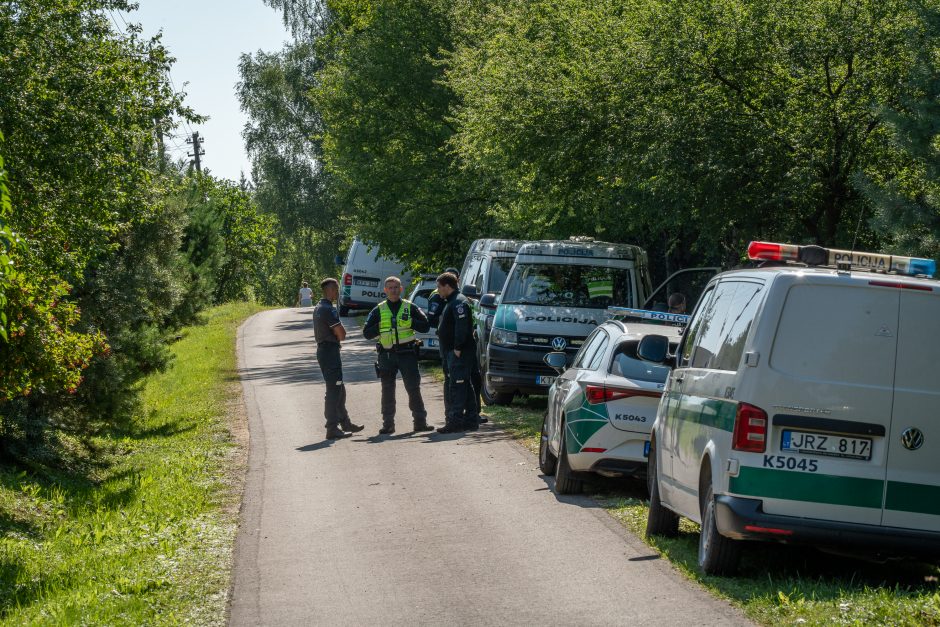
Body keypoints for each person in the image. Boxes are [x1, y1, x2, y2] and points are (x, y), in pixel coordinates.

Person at [362, 276, 434, 435]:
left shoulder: (410, 307)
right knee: (387, 390)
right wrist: (379, 326)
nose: (393, 290)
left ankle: (420, 422)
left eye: (396, 287)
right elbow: (366, 333)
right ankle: (388, 425)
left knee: (413, 388)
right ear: (385, 290)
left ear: (401, 289)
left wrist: (411, 323)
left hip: (407, 354)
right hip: (387, 356)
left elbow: (425, 326)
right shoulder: (378, 310)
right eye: (390, 288)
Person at [312, 278, 364, 439]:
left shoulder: (320, 307)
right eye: (337, 289)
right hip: (329, 352)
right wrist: (340, 337)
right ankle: (332, 427)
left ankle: (345, 423)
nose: (338, 292)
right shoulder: (328, 309)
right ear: (331, 289)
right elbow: (341, 334)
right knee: (334, 390)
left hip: (327, 352)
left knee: (339, 388)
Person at [434, 272, 480, 433]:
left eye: (439, 287)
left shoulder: (459, 302)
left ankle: (455, 421)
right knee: (464, 385)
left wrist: (458, 348)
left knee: (458, 387)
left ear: (447, 286)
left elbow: (463, 327)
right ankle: (471, 420)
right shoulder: (451, 301)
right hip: (452, 351)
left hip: (459, 352)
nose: (438, 290)